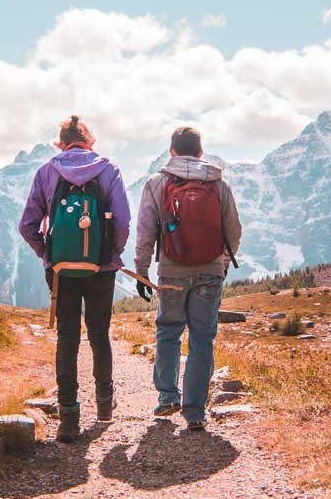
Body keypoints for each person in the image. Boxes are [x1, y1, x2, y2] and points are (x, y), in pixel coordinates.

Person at [19, 116, 131, 443]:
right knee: (99, 334)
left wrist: (47, 255)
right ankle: (105, 406)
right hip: (102, 269)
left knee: (67, 337)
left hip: (61, 271)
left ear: (62, 142)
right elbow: (122, 221)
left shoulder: (47, 172)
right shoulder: (109, 170)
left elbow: (27, 225)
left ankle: (68, 417)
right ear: (89, 141)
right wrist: (110, 253)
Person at [133, 126, 242, 430]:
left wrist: (142, 270)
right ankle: (195, 412)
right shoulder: (219, 184)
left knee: (168, 331)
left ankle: (168, 396)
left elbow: (146, 231)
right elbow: (234, 231)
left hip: (171, 272)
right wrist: (220, 265)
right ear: (200, 152)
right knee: (202, 338)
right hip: (209, 271)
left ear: (172, 152)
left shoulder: (158, 182)